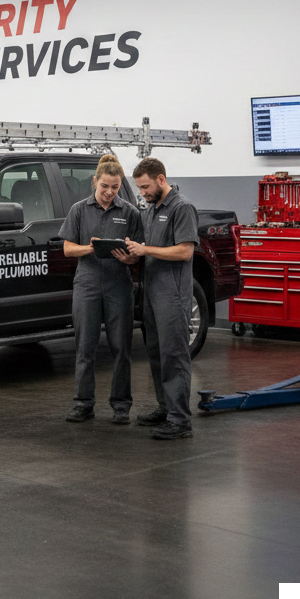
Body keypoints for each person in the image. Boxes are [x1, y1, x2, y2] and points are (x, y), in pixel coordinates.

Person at [59, 154, 143, 424]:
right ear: (95, 181)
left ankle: (121, 406)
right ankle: (83, 403)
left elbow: (138, 253)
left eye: (115, 187)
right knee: (85, 347)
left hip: (119, 284)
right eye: (104, 186)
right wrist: (92, 248)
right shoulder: (79, 210)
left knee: (121, 347)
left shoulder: (129, 212)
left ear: (120, 185)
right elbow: (68, 248)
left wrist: (129, 258)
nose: (109, 192)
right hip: (88, 283)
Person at [125, 158, 200, 440]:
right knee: (156, 353)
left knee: (174, 356)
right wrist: (131, 253)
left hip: (173, 295)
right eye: (139, 189)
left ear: (160, 179)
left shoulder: (182, 208)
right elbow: (148, 250)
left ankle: (180, 420)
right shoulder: (150, 211)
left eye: (144, 187)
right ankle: (165, 407)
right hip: (152, 294)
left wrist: (146, 250)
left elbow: (184, 252)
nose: (142, 193)